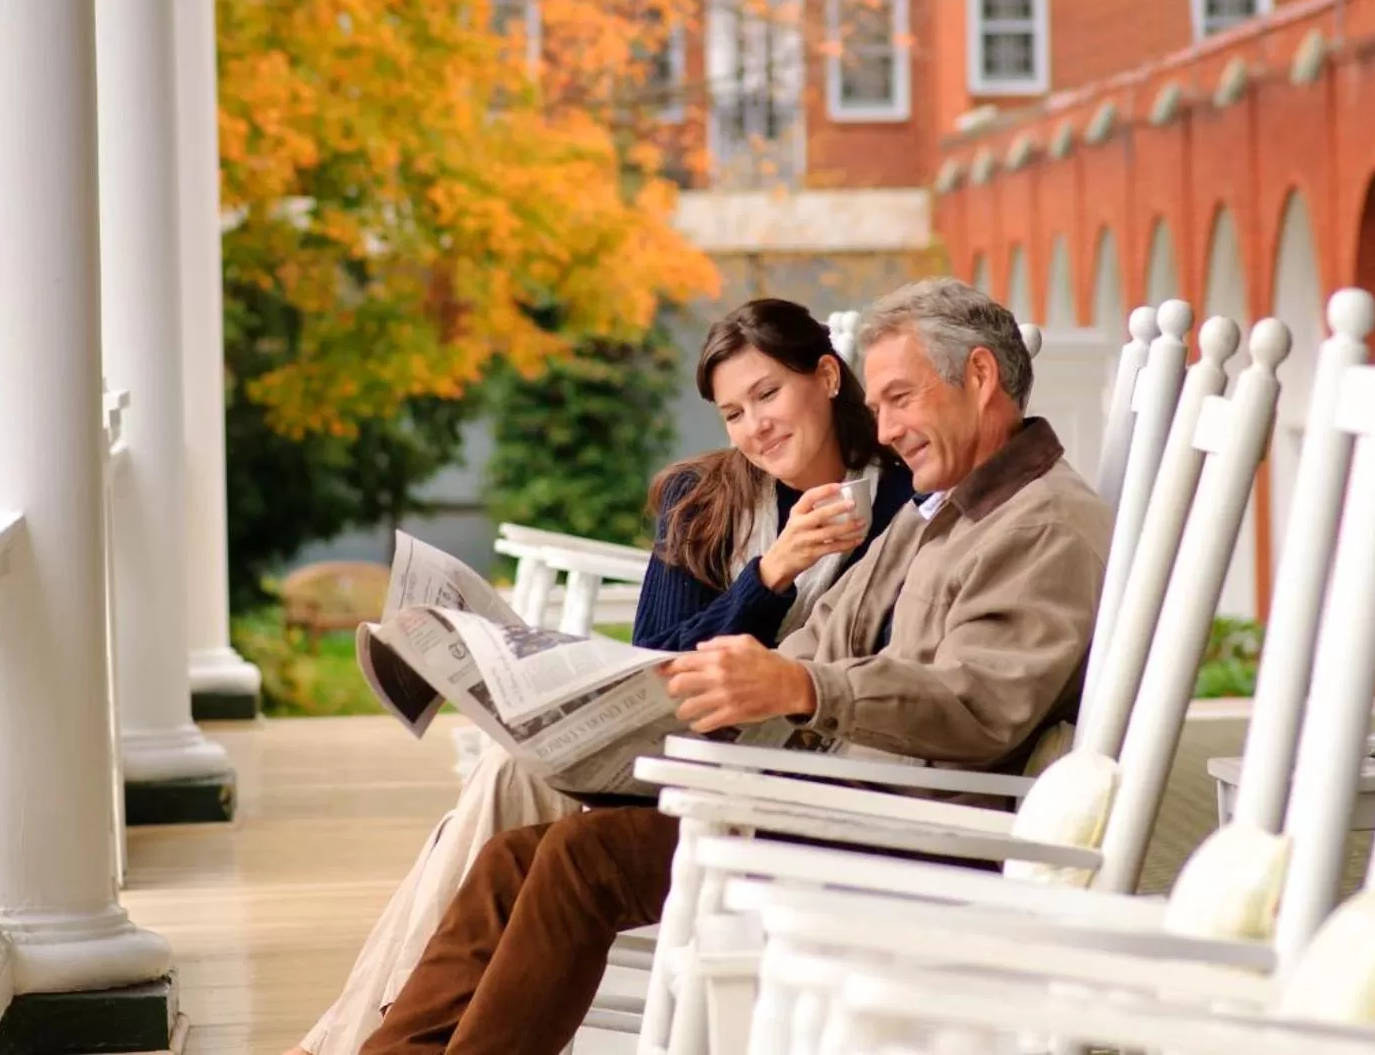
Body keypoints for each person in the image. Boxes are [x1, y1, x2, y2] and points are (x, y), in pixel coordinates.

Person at [358, 278, 1116, 1055]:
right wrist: (745, 681)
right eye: (880, 405)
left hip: (890, 829)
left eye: (898, 399)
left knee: (582, 863)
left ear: (981, 377)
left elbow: (980, 706)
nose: (883, 430)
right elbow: (828, 628)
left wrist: (800, 688)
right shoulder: (943, 509)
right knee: (513, 857)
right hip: (817, 793)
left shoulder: (1044, 525)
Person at [291, 298, 912, 1055]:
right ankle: (363, 1034)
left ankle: (354, 1035)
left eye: (768, 394)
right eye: (732, 413)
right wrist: (770, 575)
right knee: (507, 775)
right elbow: (656, 651)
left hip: (769, 771)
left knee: (518, 820)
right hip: (658, 748)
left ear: (826, 377)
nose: (756, 426)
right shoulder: (704, 500)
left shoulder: (898, 506)